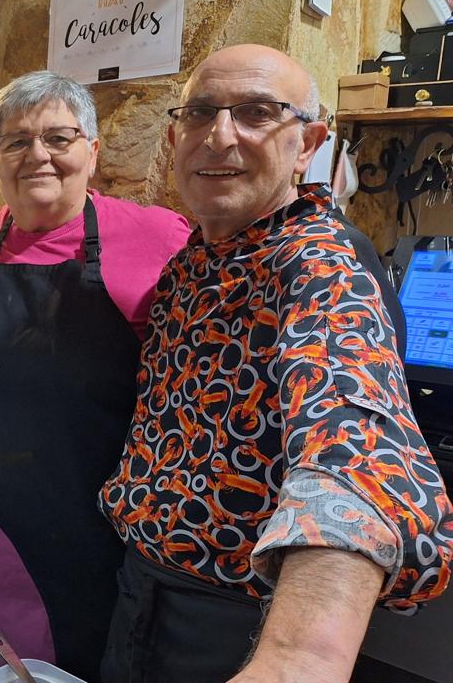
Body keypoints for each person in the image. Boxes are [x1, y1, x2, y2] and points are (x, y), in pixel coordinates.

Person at [98, 44, 453, 683]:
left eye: (257, 112)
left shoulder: (321, 266)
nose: (220, 135)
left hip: (236, 627)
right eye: (202, 113)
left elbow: (354, 450)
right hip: (140, 595)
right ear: (175, 137)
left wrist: (298, 660)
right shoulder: (189, 263)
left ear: (308, 143)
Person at [0, 71, 190, 679]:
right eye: (16, 142)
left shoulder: (157, 237)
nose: (37, 154)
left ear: (93, 151)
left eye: (58, 138)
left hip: (80, 539)